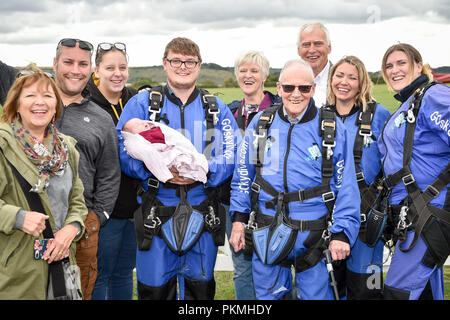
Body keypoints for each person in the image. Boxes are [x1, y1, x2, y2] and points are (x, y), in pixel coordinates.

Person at [116, 37, 239, 300]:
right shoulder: (143, 103)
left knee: (201, 289)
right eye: (176, 61)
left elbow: (232, 154)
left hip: (203, 210)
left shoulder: (216, 108)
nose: (183, 67)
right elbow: (121, 148)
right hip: (155, 211)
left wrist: (203, 170)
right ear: (165, 63)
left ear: (199, 65)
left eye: (190, 62)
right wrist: (156, 170)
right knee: (155, 290)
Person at [229, 59, 360, 300]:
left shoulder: (329, 129)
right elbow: (244, 175)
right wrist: (238, 219)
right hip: (267, 230)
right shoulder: (262, 125)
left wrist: (342, 233)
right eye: (289, 88)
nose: (296, 94)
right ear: (279, 88)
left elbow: (346, 186)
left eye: (304, 88)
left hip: (314, 236)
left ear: (313, 89)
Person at [0, 71, 88, 299]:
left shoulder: (66, 148)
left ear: (56, 105)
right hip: (17, 271)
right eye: (30, 95)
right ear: (16, 104)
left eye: (48, 96)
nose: (40, 102)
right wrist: (18, 217)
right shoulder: (3, 145)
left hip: (63, 264)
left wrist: (73, 228)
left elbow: (77, 201)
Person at [378, 43, 450, 300]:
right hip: (412, 218)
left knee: (397, 293)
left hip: (429, 214)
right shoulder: (409, 103)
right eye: (389, 66)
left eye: (401, 63)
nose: (394, 70)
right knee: (425, 293)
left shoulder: (431, 96)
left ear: (419, 65)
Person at [52, 38, 121, 300]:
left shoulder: (101, 118)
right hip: (32, 223)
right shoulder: (34, 107)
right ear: (55, 63)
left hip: (80, 227)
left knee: (77, 295)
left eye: (82, 64)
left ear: (90, 68)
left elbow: (109, 174)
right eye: (68, 62)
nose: (75, 70)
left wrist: (96, 218)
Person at [326, 56, 391, 299]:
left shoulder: (379, 116)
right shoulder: (320, 117)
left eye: (352, 77)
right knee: (332, 289)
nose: (344, 82)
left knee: (367, 291)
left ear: (362, 82)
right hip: (328, 222)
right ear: (331, 79)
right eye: (339, 75)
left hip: (367, 226)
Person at [84, 42, 139, 300]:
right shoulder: (86, 101)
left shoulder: (135, 100)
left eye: (123, 67)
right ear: (97, 70)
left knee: (125, 273)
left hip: (134, 207)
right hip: (102, 208)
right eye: (110, 68)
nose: (117, 73)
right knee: (101, 273)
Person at [226, 50, 281, 300]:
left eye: (254, 71)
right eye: (243, 70)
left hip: (271, 203)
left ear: (265, 76)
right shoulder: (229, 112)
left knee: (276, 264)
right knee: (242, 268)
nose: (248, 75)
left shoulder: (281, 109)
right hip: (235, 202)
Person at [122, 118, 209, 184]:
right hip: (158, 192)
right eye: (138, 125)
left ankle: (197, 172)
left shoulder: (157, 128)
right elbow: (147, 154)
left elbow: (175, 138)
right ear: (130, 134)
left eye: (142, 121)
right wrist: (165, 175)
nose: (144, 123)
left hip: (176, 151)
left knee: (193, 159)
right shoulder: (136, 141)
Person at [297, 22, 332, 107]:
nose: (312, 50)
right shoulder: (288, 80)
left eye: (318, 44)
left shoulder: (342, 80)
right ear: (298, 50)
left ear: (329, 48)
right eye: (306, 45)